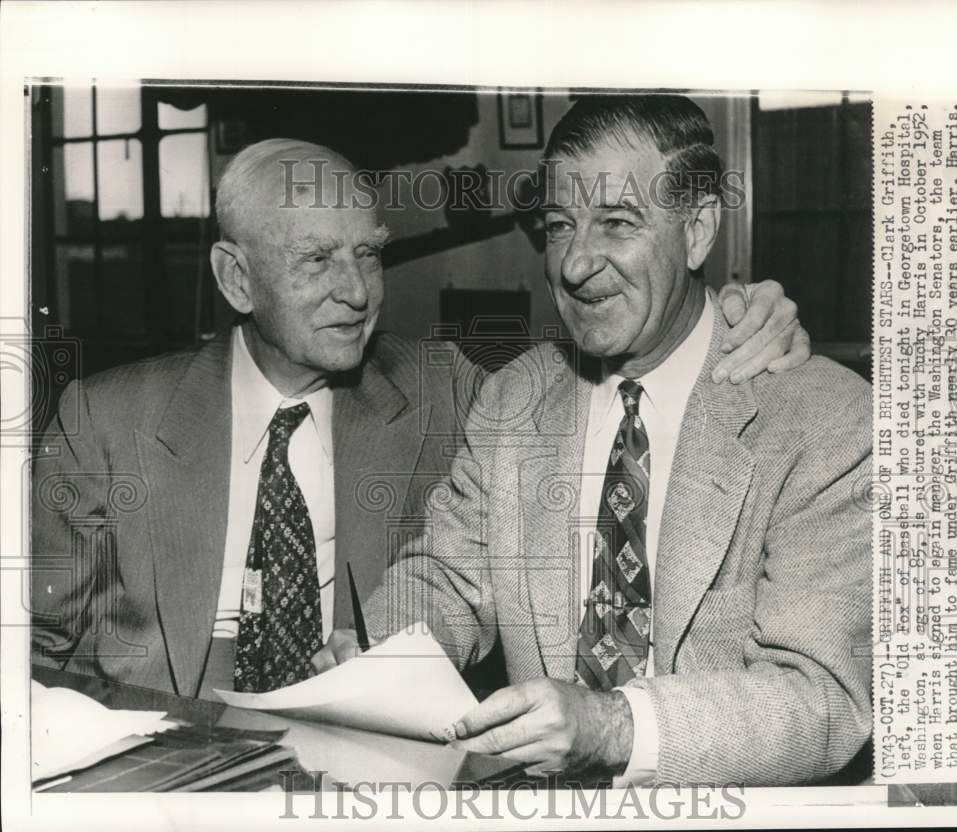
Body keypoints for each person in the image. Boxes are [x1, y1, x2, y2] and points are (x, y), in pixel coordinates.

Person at [31, 135, 809, 700]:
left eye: (367, 255)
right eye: (316, 260)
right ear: (237, 279)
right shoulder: (106, 422)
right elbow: (32, 652)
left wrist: (735, 313)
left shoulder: (445, 389)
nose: (356, 292)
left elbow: (590, 397)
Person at [347, 96, 873, 787]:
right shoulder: (514, 397)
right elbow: (447, 577)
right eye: (559, 226)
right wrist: (373, 659)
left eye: (618, 223)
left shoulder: (827, 420)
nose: (574, 264)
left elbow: (820, 699)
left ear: (697, 231)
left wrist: (613, 727)